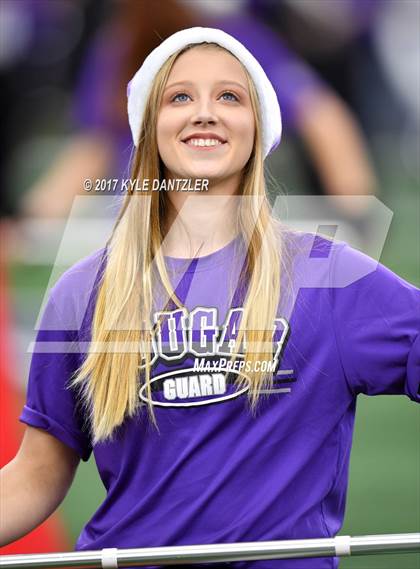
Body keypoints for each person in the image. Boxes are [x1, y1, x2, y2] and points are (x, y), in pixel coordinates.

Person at [0, 27, 418, 569]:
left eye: (229, 96)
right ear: (149, 128)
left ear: (257, 128)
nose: (204, 113)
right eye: (179, 97)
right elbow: (36, 474)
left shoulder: (329, 275)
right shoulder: (81, 292)